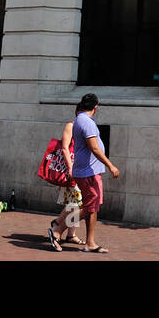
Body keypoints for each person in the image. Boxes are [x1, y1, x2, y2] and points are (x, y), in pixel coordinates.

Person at [69, 93, 119, 254]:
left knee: (92, 207)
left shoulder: (81, 120)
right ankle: (58, 226)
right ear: (96, 107)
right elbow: (94, 148)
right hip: (87, 171)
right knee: (90, 207)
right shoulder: (86, 122)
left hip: (89, 170)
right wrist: (111, 165)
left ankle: (90, 242)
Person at [46, 106, 86, 250]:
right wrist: (70, 168)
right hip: (72, 170)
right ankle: (57, 223)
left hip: (81, 170)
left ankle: (71, 234)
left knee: (75, 203)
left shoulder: (86, 127)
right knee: (76, 203)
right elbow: (64, 147)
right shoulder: (71, 125)